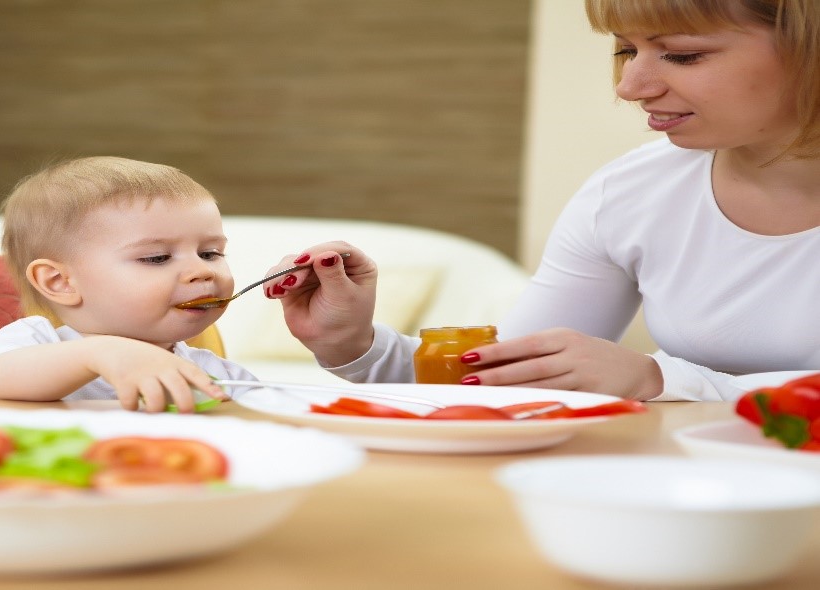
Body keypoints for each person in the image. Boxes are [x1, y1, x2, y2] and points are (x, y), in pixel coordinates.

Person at [266, 0, 820, 402]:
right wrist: (353, 343)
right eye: (627, 49)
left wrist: (660, 380)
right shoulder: (631, 194)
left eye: (682, 55)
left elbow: (663, 385)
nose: (630, 86)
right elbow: (503, 383)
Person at [0, 156, 254, 411]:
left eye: (210, 253)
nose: (201, 270)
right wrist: (102, 353)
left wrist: (303, 339)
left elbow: (285, 428)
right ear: (60, 282)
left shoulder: (215, 374)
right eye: (157, 257)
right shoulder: (32, 343)